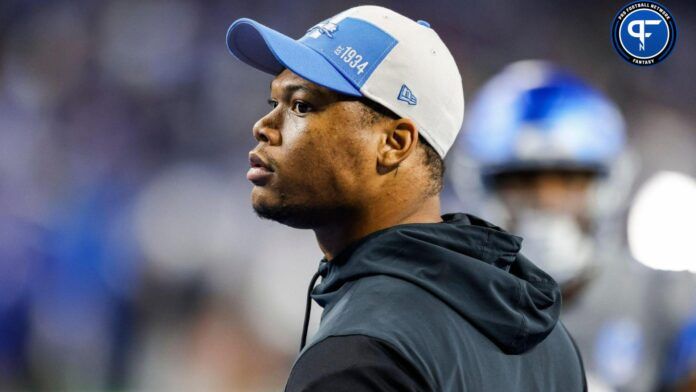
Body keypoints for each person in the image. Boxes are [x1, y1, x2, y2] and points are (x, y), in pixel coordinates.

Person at [225, 6, 585, 391]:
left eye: (301, 105)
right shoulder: (550, 340)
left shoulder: (358, 354)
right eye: (272, 104)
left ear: (395, 143)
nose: (263, 127)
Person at [457, 60, 696, 391]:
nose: (546, 202)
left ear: (607, 187)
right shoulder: (449, 307)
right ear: (483, 188)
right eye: (524, 180)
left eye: (568, 180)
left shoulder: (664, 301)